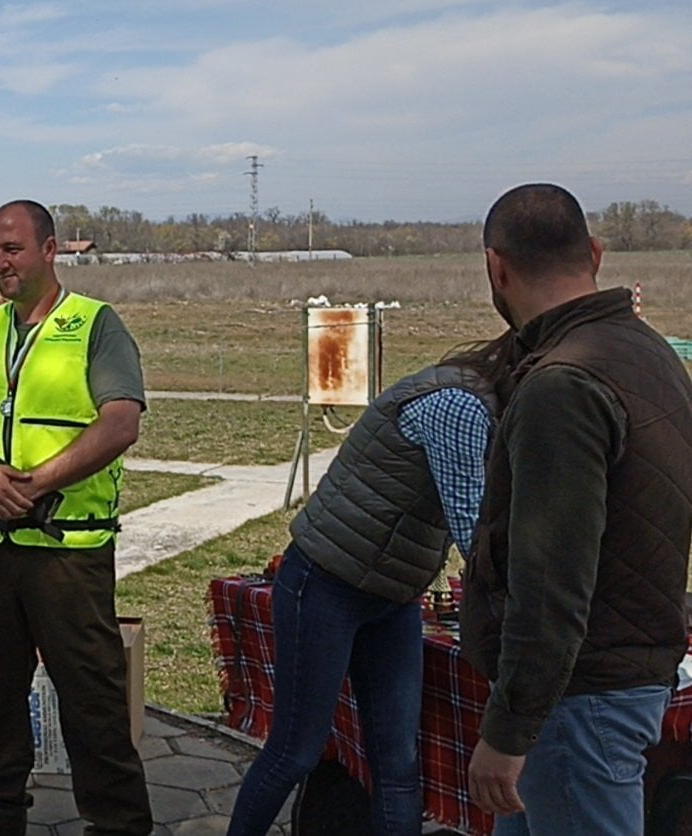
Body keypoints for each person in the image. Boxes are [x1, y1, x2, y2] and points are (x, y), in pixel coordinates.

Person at [462, 183, 692, 834]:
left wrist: (509, 730)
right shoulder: (649, 351)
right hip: (614, 676)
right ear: (594, 253)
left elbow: (551, 582)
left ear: (496, 267)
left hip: (577, 698)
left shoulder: (562, 387)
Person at [228, 334, 511, 836]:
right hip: (327, 582)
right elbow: (472, 522)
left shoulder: (484, 405)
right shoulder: (460, 407)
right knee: (296, 748)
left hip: (395, 594)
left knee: (399, 763)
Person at [0, 200, 151, 836]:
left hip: (67, 550)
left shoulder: (94, 325)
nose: (1, 262)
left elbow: (121, 421)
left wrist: (35, 483)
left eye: (13, 249)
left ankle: (117, 823)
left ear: (50, 250)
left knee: (91, 698)